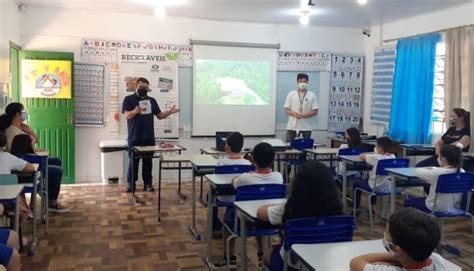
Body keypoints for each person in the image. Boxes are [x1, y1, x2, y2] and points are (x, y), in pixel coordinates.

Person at [257, 160, 343, 270]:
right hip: (326, 263)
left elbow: (260, 213)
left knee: (269, 252)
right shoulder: (338, 211)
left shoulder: (291, 206)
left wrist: (275, 205)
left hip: (293, 264)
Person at [212, 142, 284, 269]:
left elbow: (234, 182)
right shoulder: (279, 177)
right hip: (270, 221)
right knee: (258, 219)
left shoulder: (245, 179)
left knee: (227, 220)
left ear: (253, 160)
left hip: (243, 221)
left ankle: (229, 258)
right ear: (273, 161)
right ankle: (261, 253)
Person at [0, 103, 68, 213]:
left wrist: (29, 130)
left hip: (26, 160)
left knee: (56, 161)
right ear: (17, 114)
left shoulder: (20, 128)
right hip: (22, 167)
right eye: (23, 111)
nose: (25, 113)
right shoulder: (12, 132)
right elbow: (16, 154)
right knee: (57, 171)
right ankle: (51, 201)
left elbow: (32, 143)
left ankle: (47, 194)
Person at [122, 77, 180, 192]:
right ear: (136, 87)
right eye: (140, 87)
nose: (143, 89)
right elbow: (127, 116)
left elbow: (159, 116)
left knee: (148, 162)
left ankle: (148, 183)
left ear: (148, 88)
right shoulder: (128, 99)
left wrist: (170, 112)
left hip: (148, 137)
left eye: (145, 88)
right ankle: (131, 184)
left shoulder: (152, 100)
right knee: (133, 162)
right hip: (134, 137)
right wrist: (135, 111)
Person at [350, 208, 448, 271]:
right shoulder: (437, 260)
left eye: (387, 232)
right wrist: (398, 258)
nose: (384, 234)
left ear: (397, 249)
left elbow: (355, 262)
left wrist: (392, 259)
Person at [213, 132, 251, 235]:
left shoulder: (221, 162)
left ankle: (215, 227)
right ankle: (228, 221)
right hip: (240, 197)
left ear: (227, 147)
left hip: (223, 196)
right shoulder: (248, 164)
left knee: (210, 196)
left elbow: (215, 180)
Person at [407, 145, 464, 212]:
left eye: (439, 156)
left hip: (434, 207)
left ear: (444, 159)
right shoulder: (462, 172)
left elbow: (417, 171)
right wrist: (436, 169)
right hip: (454, 207)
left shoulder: (437, 173)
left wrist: (430, 169)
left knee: (407, 201)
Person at [0, 131, 36, 221]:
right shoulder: (7, 157)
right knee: (18, 188)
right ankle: (15, 231)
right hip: (7, 200)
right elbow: (31, 168)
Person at [353, 137, 397, 210]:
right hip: (389, 187)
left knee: (356, 184)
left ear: (380, 148)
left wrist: (374, 153)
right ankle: (373, 207)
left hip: (375, 187)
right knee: (375, 180)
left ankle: (356, 208)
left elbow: (361, 156)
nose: (375, 147)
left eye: (376, 146)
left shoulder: (376, 157)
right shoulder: (393, 156)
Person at [283, 73, 319, 142]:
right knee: (290, 148)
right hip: (292, 127)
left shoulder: (312, 95)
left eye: (304, 81)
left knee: (305, 149)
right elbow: (286, 110)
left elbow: (315, 111)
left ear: (307, 82)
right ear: (297, 82)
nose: (302, 83)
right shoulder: (291, 94)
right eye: (300, 81)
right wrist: (294, 114)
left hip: (306, 127)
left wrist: (302, 115)